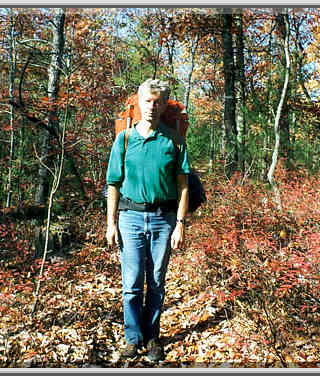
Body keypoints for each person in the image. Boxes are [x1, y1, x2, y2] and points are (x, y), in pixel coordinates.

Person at [105, 79, 190, 362]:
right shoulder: (125, 139)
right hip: (129, 218)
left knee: (155, 282)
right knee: (130, 284)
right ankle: (132, 339)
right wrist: (111, 223)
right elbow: (113, 184)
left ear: (164, 105)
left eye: (158, 102)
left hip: (163, 219)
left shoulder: (174, 141)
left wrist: (180, 224)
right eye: (148, 101)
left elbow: (183, 186)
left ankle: (152, 337)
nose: (152, 107)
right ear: (139, 103)